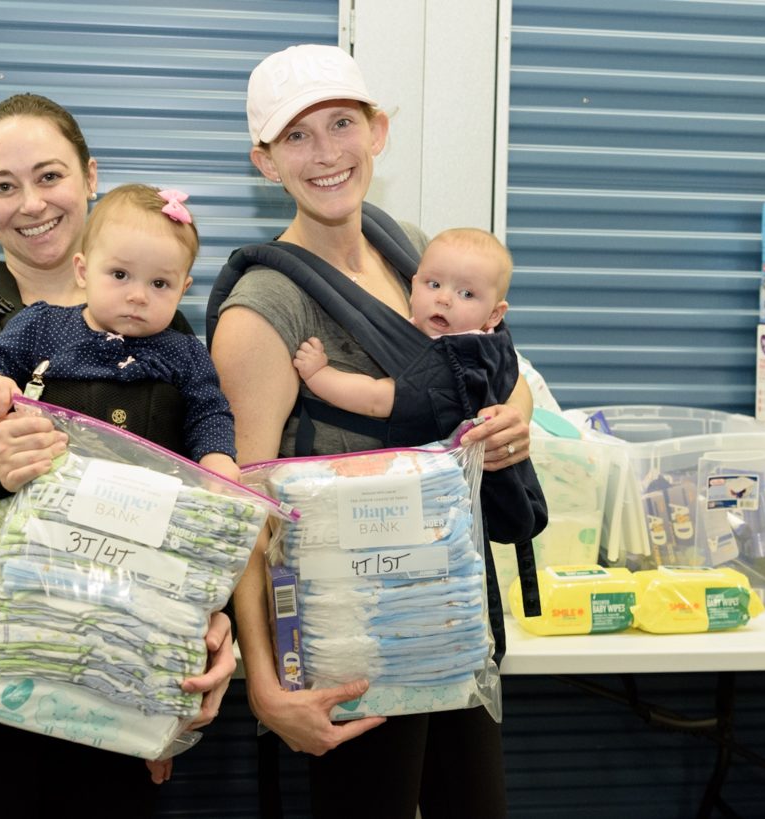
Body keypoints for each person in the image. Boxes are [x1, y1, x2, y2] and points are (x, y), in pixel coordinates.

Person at [0, 94, 235, 817]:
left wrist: (208, 617)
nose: (31, 202)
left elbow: (197, 474)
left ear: (89, 176)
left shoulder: (167, 336)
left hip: (110, 652)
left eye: (50, 175)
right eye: (2, 185)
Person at [209, 44, 537, 818]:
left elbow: (490, 369)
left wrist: (512, 423)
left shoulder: (410, 252)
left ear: (377, 131)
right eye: (296, 136)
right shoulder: (265, 308)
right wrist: (263, 681)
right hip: (348, 638)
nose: (326, 153)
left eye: (342, 123)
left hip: (447, 610)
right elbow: (243, 503)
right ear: (264, 160)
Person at [293, 227, 512, 418]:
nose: (443, 299)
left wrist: (319, 375)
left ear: (494, 314)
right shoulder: (489, 345)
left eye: (466, 294)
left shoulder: (456, 361)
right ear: (414, 286)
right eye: (434, 284)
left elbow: (375, 400)